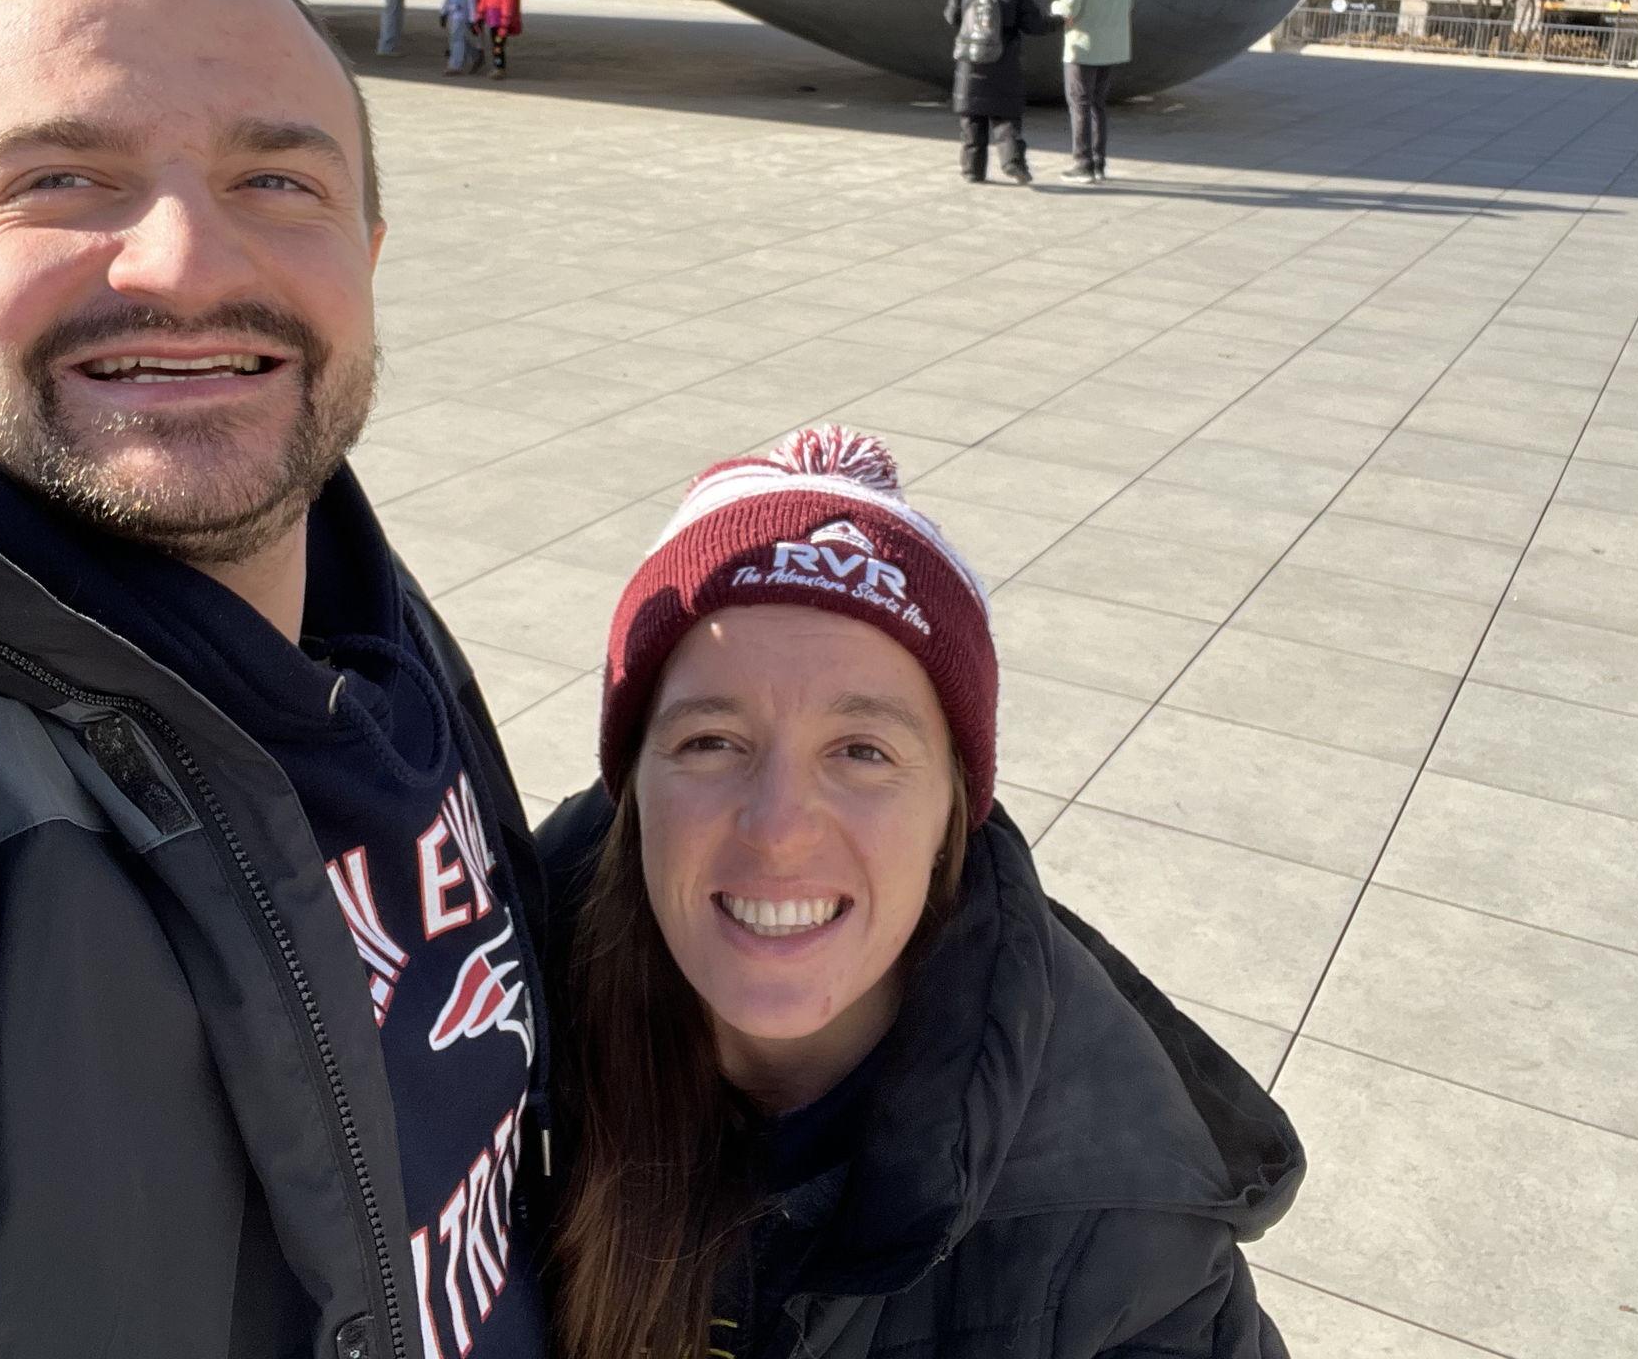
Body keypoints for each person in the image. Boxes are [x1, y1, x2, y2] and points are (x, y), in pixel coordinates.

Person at [0, 0, 549, 1358]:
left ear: (368, 256)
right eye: (61, 180)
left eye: (279, 178)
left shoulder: (349, 596)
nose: (190, 261)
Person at [540, 425, 1302, 1359]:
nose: (779, 826)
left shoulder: (1120, 1243)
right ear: (633, 792)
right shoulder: (474, 1054)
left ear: (953, 812)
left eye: (863, 751)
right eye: (711, 741)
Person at [944, 0, 1052, 186]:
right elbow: (1035, 25)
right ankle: (1013, 162)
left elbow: (951, 16)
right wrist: (1058, 21)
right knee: (1005, 119)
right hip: (1004, 63)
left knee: (972, 119)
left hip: (970, 62)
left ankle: (972, 170)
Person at [1050, 0, 1136, 185]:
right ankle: (1099, 164)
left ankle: (1082, 164)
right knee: (1098, 105)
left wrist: (1054, 6)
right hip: (1111, 48)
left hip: (1082, 47)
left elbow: (1068, 9)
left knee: (1079, 104)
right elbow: (1128, 6)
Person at [477, 0, 523, 79]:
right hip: (492, 22)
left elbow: (507, 6)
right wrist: (480, 15)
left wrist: (504, 23)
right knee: (495, 46)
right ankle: (498, 67)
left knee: (498, 46)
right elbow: (483, 1)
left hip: (501, 23)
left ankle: (499, 68)